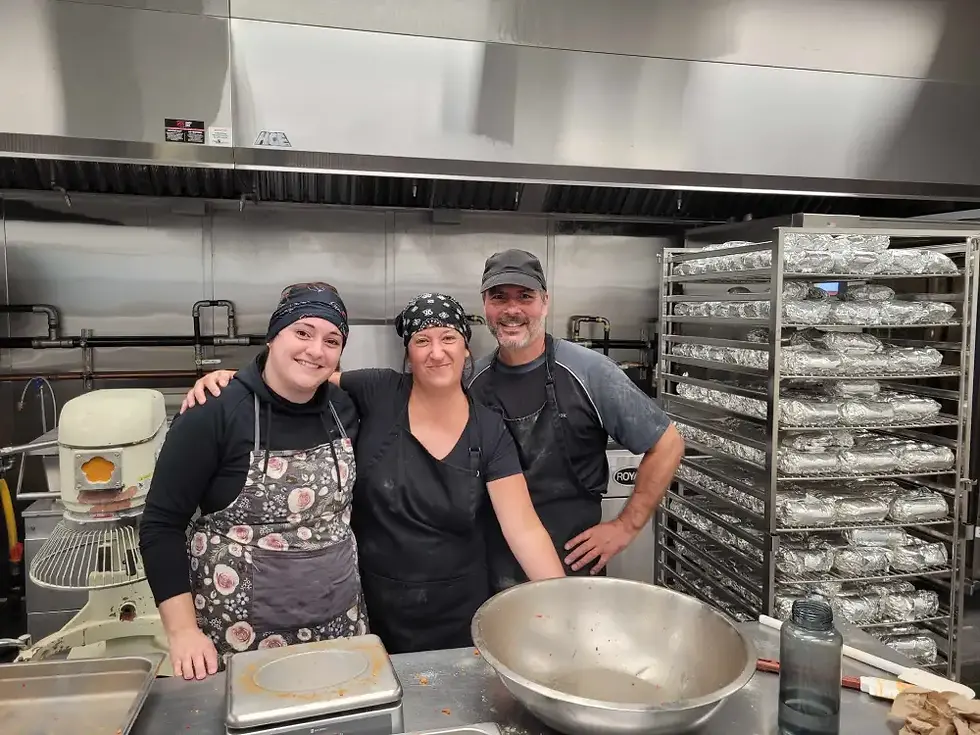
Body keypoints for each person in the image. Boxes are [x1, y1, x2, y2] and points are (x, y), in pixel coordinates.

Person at [179, 292, 565, 655]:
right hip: (371, 606)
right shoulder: (378, 390)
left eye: (448, 338)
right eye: (422, 341)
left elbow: (524, 529)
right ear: (408, 353)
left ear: (466, 348)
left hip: (459, 609)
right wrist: (232, 380)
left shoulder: (489, 429)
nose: (436, 353)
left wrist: (564, 603)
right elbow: (300, 374)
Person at [139, 282, 366, 681]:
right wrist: (183, 632)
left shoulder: (342, 409)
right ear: (273, 336)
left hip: (338, 625)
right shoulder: (213, 412)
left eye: (332, 340)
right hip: (239, 635)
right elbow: (161, 526)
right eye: (302, 332)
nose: (316, 350)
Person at [469, 249, 684, 592]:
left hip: (571, 569)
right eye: (499, 297)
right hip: (486, 568)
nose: (512, 310)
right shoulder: (472, 381)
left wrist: (626, 526)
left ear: (545, 302)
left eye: (525, 296)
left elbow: (668, 443)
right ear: (485, 305)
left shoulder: (589, 372)